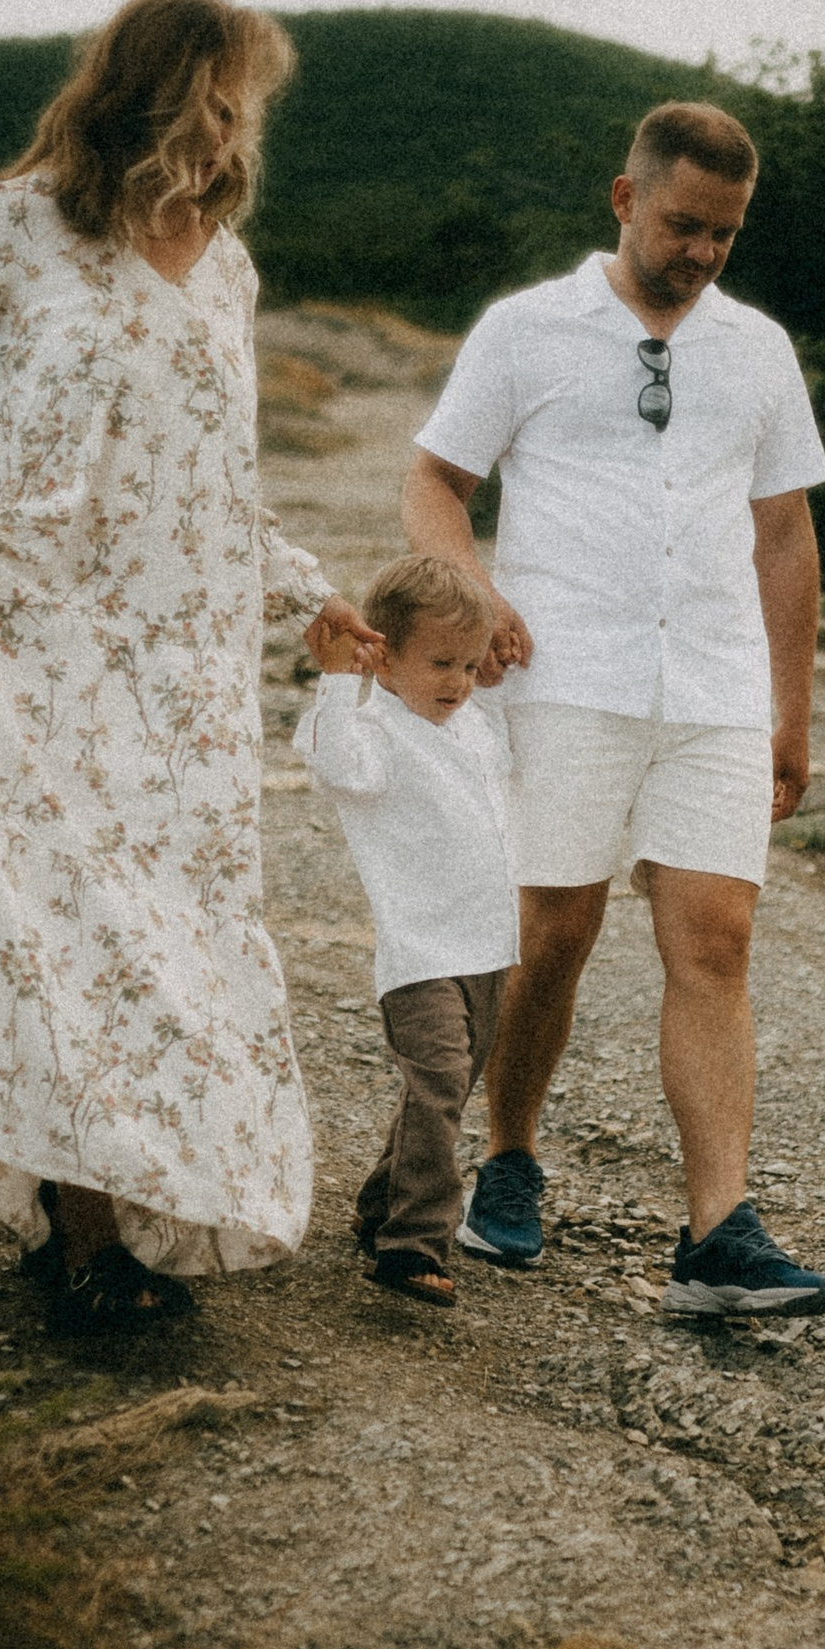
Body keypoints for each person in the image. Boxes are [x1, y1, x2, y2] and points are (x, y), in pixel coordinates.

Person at [0, 0, 380, 1329]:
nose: (239, 121)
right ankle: (85, 1231)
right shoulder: (15, 219)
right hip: (38, 631)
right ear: (157, 90)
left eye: (251, 98)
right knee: (67, 923)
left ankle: (131, 1196)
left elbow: (217, 478)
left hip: (182, 662)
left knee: (172, 937)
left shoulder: (229, 264)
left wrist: (300, 589)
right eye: (223, 90)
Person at [403, 97, 825, 1322]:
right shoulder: (526, 329)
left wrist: (789, 712)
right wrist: (472, 593)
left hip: (711, 683)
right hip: (565, 679)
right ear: (624, 199)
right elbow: (435, 478)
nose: (700, 252)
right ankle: (511, 1159)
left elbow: (784, 531)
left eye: (724, 234)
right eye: (681, 224)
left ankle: (717, 1233)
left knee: (715, 942)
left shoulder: (757, 348)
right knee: (554, 934)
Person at [294, 552, 516, 1310]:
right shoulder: (372, 730)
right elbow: (331, 766)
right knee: (441, 1079)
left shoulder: (474, 726)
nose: (456, 680)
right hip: (420, 951)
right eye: (439, 663)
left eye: (467, 662)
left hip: (489, 945)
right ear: (384, 655)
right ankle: (414, 1240)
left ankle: (380, 1200)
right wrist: (334, 678)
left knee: (447, 1086)